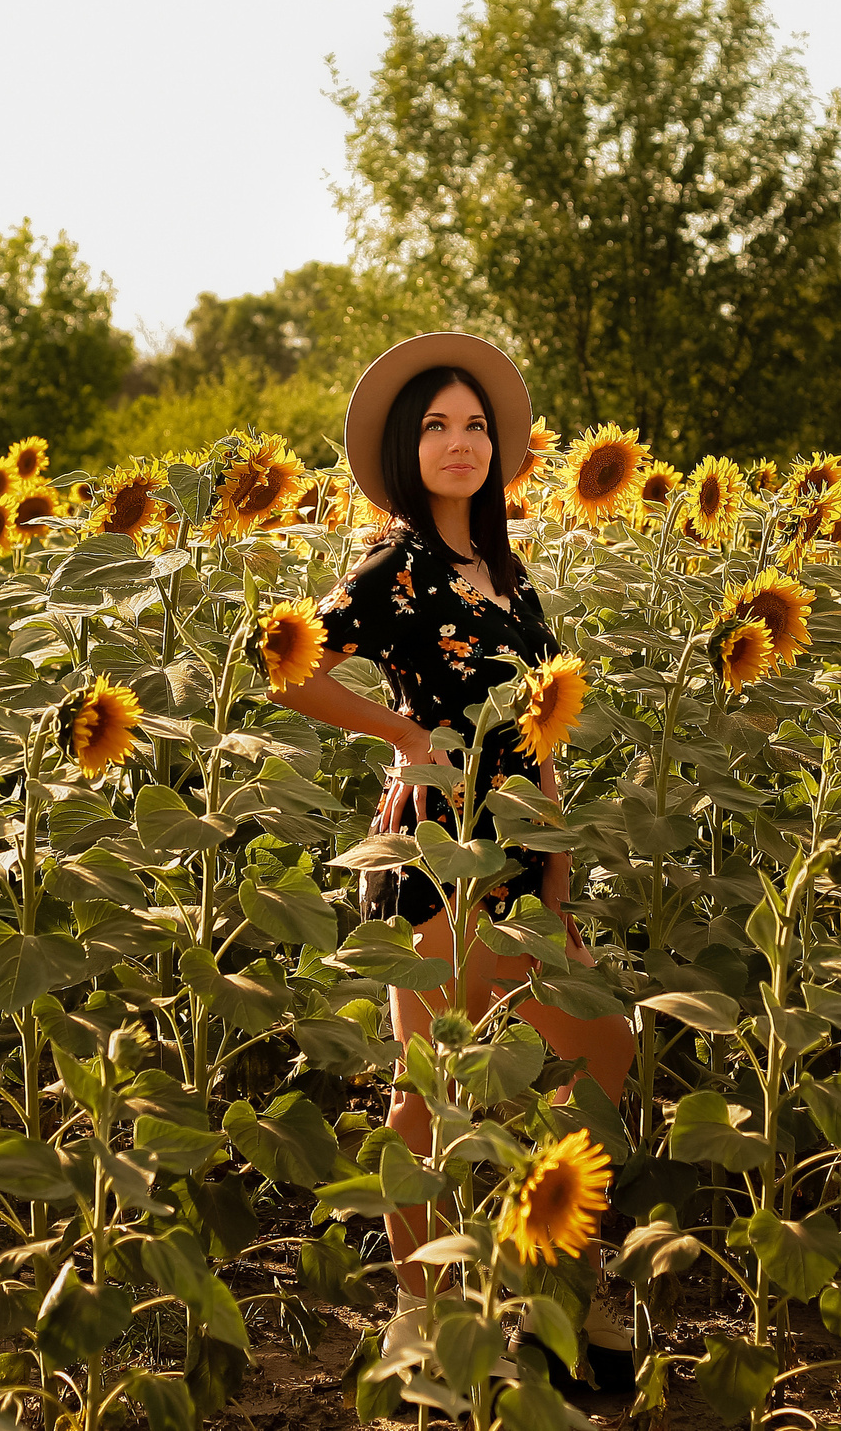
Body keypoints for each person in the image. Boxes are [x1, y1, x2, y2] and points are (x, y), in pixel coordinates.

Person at [266, 332, 636, 1389]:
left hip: (524, 847)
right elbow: (284, 663)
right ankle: (421, 1321)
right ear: (405, 446)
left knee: (593, 1046)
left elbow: (539, 723)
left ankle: (554, 1281)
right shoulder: (395, 567)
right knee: (429, 1086)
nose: (460, 442)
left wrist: (558, 863)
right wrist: (402, 737)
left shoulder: (507, 580)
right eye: (436, 426)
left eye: (475, 425)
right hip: (438, 851)